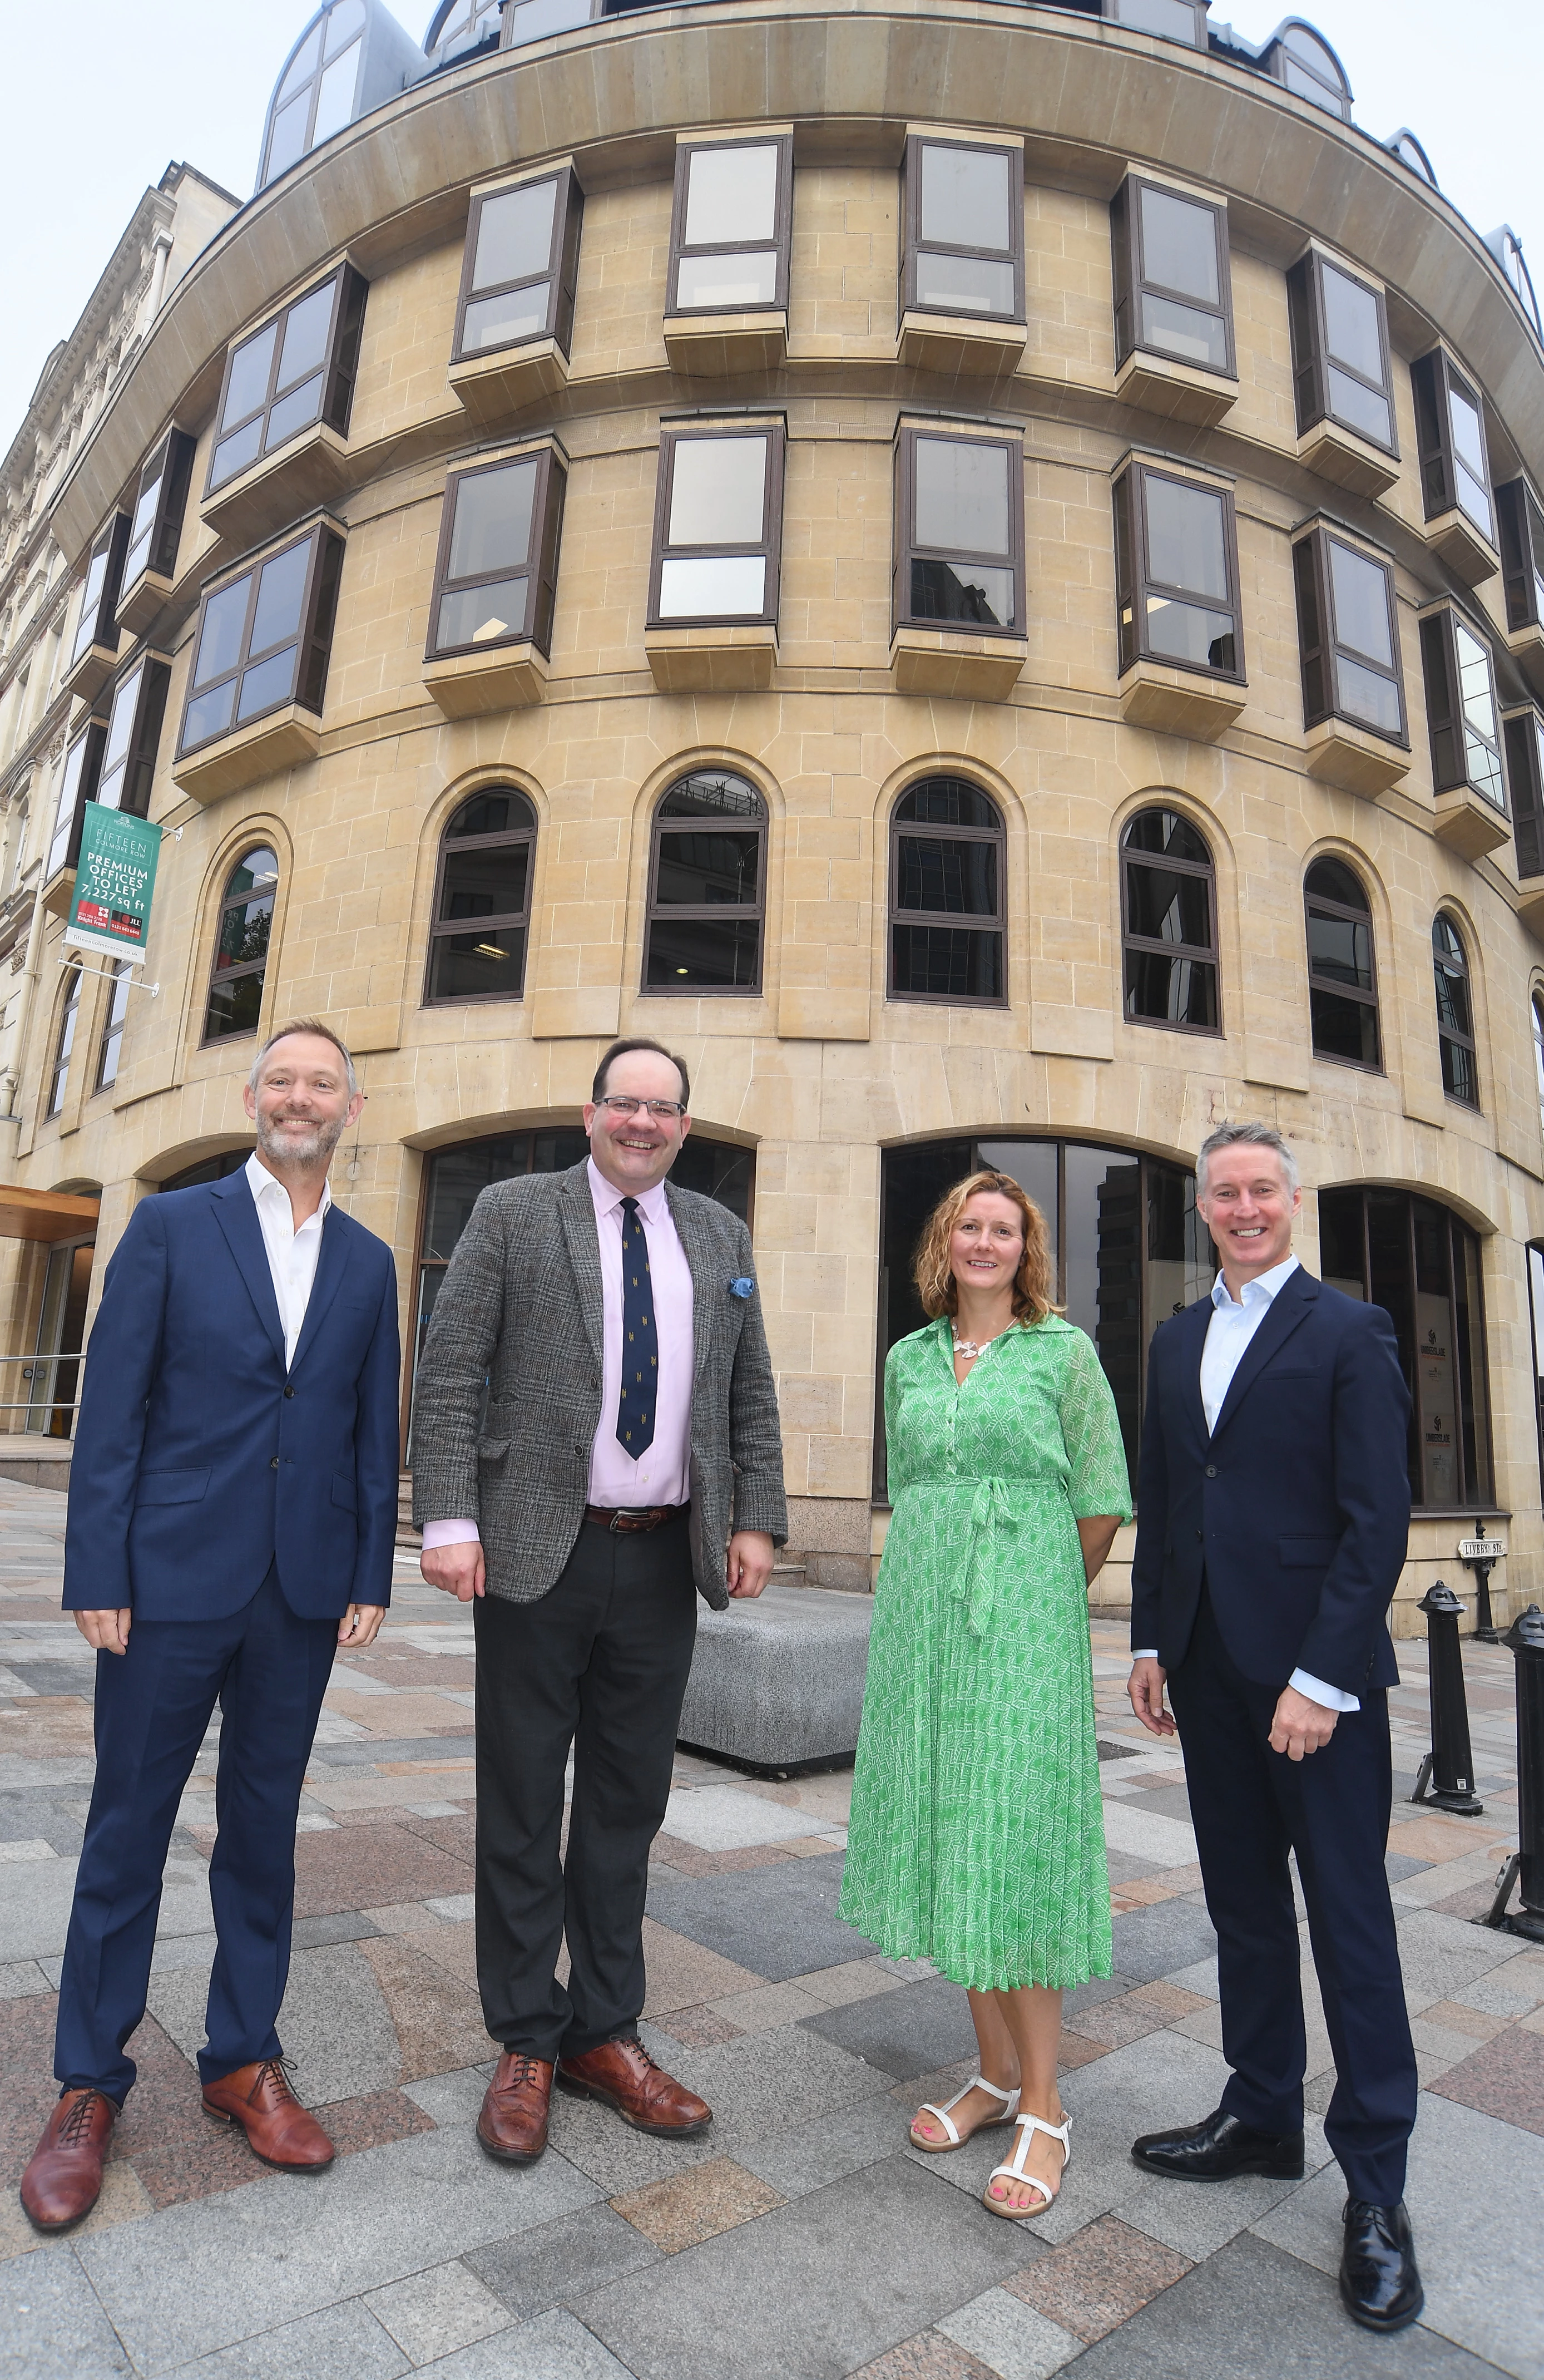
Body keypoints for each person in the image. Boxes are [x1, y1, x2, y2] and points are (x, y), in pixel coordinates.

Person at [20, 1022, 401, 2233]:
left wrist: (367, 1569)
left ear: (351, 1106)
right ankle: (89, 2082)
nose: (300, 1098)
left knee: (262, 1832)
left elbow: (362, 1423)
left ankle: (243, 2056)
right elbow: (114, 1405)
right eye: (281, 1079)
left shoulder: (368, 1258)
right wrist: (98, 1565)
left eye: (321, 1083)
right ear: (253, 1096)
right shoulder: (174, 1227)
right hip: (168, 1584)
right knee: (126, 1829)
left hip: (296, 1593)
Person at [410, 1036, 786, 2165]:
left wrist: (755, 1515)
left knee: (626, 1806)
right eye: (623, 1103)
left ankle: (602, 2032)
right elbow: (447, 1363)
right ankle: (526, 2036)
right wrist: (447, 1516)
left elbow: (746, 1390)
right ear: (590, 1114)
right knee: (524, 1799)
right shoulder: (514, 1213)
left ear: (683, 1125)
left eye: (661, 1109)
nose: (641, 1122)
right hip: (536, 1550)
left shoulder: (717, 1234)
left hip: (661, 1558)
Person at [1127, 1120, 1421, 2334]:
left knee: (1348, 1926)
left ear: (1292, 1204)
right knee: (1241, 1907)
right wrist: (1148, 1639)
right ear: (1202, 1210)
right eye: (1223, 1194)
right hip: (1202, 1666)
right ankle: (1258, 2115)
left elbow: (1376, 1520)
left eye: (1261, 1190)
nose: (1242, 1208)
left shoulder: (1348, 1331)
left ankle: (1375, 2192)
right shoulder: (1173, 1336)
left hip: (1315, 1686)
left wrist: (1321, 1675)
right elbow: (1165, 1494)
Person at [839, 1170, 1131, 2222]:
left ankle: (1046, 2105)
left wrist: (1031, 1591)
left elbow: (1099, 1503)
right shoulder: (907, 1360)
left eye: (1005, 1228)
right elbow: (912, 1489)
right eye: (970, 1224)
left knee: (1014, 1840)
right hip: (922, 1626)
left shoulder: (1065, 1353)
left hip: (1022, 1633)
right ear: (945, 1240)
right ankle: (994, 2072)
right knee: (950, 1826)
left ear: (1028, 1248)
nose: (986, 1241)